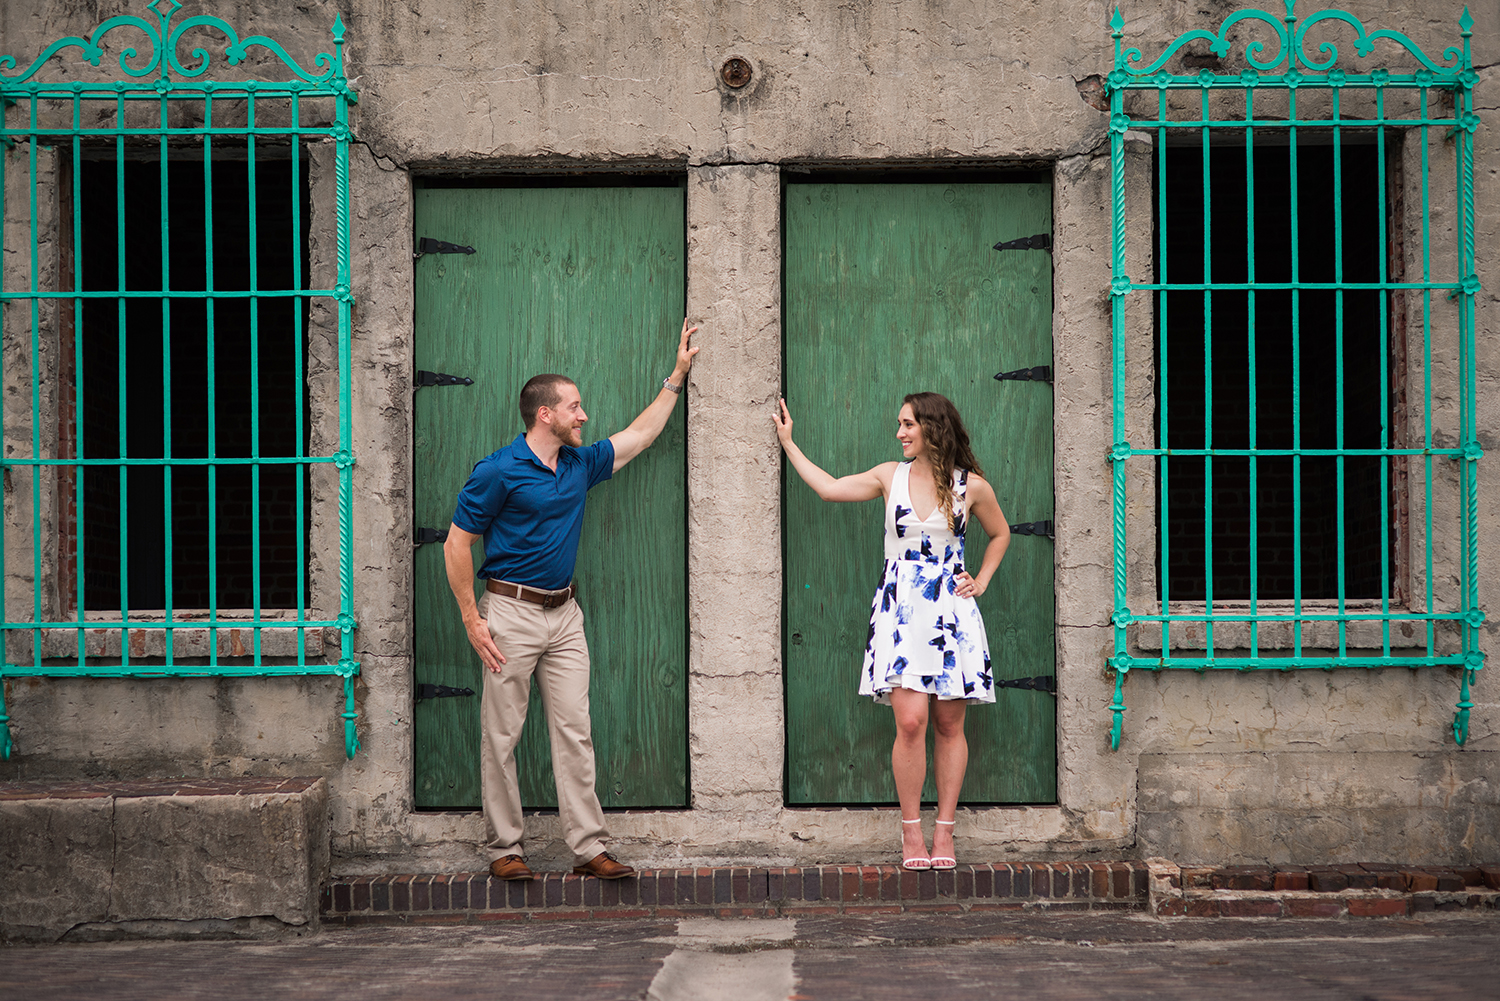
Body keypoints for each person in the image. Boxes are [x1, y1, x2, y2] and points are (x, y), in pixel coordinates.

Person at [443, 318, 700, 881]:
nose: (584, 415)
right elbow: (457, 543)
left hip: (565, 616)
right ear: (546, 414)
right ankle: (505, 849)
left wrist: (676, 377)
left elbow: (641, 435)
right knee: (502, 735)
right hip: (508, 613)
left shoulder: (580, 465)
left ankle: (588, 848)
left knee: (574, 731)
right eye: (575, 406)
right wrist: (471, 617)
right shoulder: (498, 471)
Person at [773, 391, 1010, 871]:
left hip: (950, 612)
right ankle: (911, 834)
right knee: (910, 722)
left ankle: (944, 831)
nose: (900, 433)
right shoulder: (890, 476)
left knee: (949, 724)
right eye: (900, 425)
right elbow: (830, 488)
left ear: (932, 428)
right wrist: (789, 445)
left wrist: (980, 581)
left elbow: (1001, 533)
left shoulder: (972, 487)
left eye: (907, 425)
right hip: (901, 613)